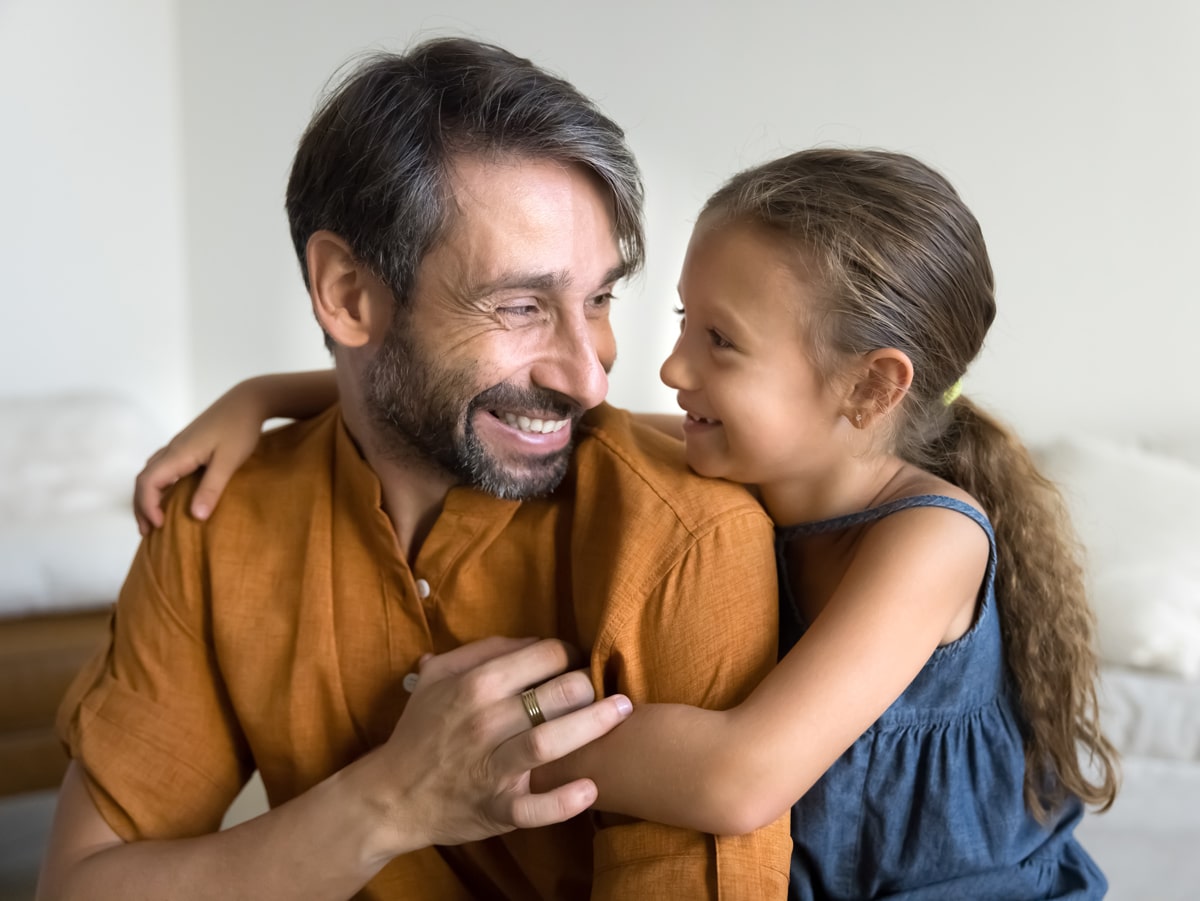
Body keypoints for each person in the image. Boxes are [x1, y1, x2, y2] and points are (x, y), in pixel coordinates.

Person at [138, 148, 1121, 899]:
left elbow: (739, 777)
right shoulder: (750, 453)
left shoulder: (929, 540)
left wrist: (465, 744)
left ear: (869, 385)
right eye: (684, 321)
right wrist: (262, 394)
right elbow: (484, 397)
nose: (671, 369)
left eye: (721, 342)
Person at [39, 38, 791, 900]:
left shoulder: (682, 539)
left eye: (599, 299)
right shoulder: (218, 522)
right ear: (349, 294)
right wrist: (391, 800)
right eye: (520, 305)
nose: (590, 375)